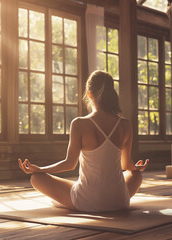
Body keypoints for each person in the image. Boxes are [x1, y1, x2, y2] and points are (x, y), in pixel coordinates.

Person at [18, 70, 149, 212]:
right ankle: (112, 199)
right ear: (112, 94)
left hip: (88, 201)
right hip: (120, 200)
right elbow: (126, 164)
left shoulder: (79, 124)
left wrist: (41, 169)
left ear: (89, 93)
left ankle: (86, 198)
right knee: (135, 175)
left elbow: (69, 164)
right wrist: (137, 167)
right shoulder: (126, 125)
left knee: (36, 178)